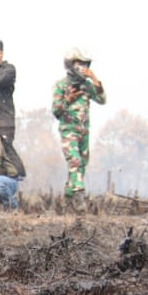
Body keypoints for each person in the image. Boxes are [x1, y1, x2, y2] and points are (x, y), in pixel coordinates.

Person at [51, 47, 105, 207]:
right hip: (69, 130)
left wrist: (94, 79)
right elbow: (56, 111)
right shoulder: (61, 85)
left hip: (84, 130)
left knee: (82, 162)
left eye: (85, 64)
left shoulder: (87, 85)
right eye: (79, 63)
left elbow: (102, 99)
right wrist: (68, 99)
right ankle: (79, 195)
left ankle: (69, 195)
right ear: (71, 64)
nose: (83, 67)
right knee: (74, 160)